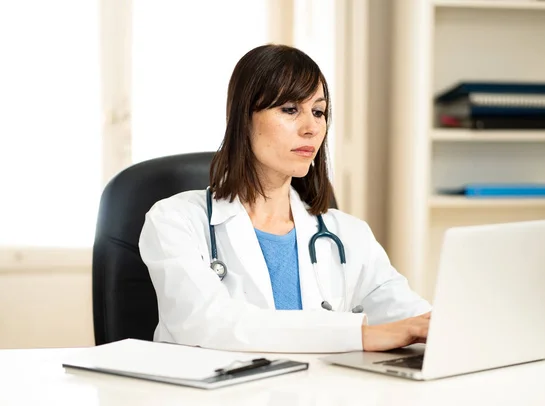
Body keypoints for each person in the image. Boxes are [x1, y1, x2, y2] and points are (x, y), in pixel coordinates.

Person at [139, 44, 431, 354]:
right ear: (243, 117)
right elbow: (205, 322)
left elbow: (409, 314)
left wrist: (447, 326)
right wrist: (359, 335)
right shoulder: (174, 221)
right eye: (290, 110)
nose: (311, 128)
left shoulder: (348, 233)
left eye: (318, 112)